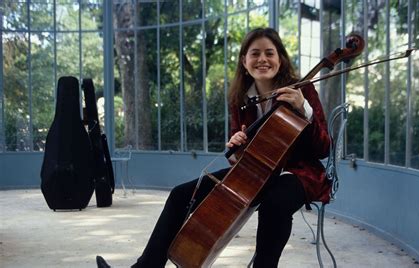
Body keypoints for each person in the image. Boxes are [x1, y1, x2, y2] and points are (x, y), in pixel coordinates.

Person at [96, 27, 331, 268]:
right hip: (256, 172)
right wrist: (237, 147)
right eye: (255, 53)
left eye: (269, 53)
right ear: (244, 61)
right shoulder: (240, 99)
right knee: (181, 195)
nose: (262, 59)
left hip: (300, 174)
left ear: (280, 59)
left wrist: (304, 109)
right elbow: (237, 156)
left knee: (276, 203)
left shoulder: (301, 91)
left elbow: (324, 148)